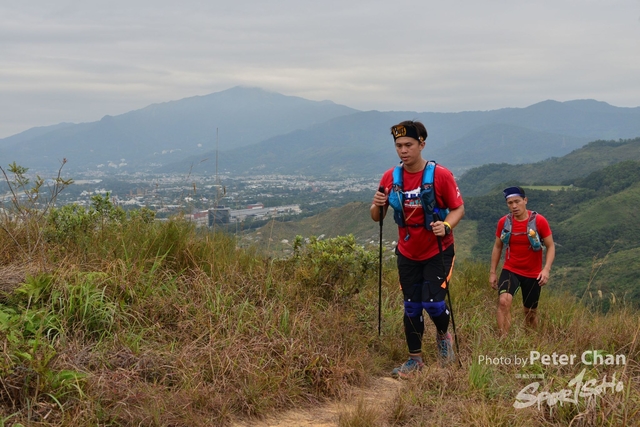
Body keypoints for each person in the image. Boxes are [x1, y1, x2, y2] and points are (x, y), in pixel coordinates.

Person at [371, 120, 465, 378]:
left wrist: (446, 225)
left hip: (438, 249)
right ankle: (415, 361)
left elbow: (458, 208)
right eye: (399, 145)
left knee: (433, 303)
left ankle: (444, 337)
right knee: (411, 306)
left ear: (422, 144)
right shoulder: (390, 177)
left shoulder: (441, 175)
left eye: (409, 145)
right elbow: (377, 216)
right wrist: (377, 204)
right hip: (407, 251)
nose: (403, 150)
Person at [489, 186, 555, 336]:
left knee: (530, 312)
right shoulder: (504, 222)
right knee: (503, 302)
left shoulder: (539, 221)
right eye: (510, 203)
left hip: (533, 273)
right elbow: (498, 246)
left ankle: (531, 340)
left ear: (525, 200)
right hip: (511, 269)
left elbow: (550, 246)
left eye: (517, 201)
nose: (514, 206)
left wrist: (546, 269)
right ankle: (503, 341)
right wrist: (492, 272)